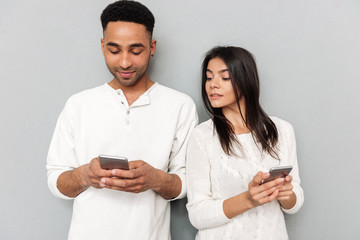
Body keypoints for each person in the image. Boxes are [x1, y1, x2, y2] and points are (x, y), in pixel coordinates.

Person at [46, 1, 198, 240]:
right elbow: (56, 182)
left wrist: (154, 179)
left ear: (152, 47)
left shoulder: (180, 105)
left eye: (136, 51)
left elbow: (188, 183)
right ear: (102, 46)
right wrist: (87, 175)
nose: (125, 62)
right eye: (114, 50)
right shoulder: (79, 104)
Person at [186, 46, 304, 240]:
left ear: (246, 80)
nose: (213, 85)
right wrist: (248, 199)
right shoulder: (202, 136)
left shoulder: (282, 130)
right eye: (209, 77)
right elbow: (197, 214)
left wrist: (287, 195)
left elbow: (295, 200)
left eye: (224, 78)